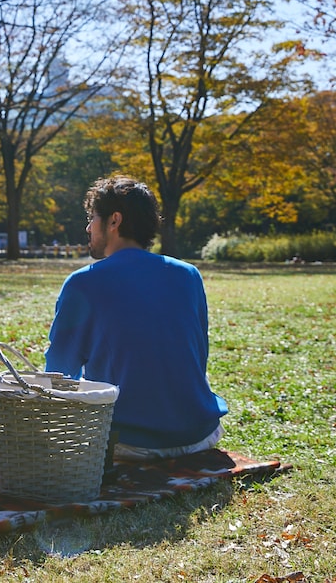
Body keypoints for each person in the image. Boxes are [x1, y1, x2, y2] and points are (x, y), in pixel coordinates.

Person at [45, 176, 228, 460]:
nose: (88, 227)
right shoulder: (188, 275)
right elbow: (198, 354)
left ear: (114, 220)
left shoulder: (84, 282)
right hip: (200, 435)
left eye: (92, 217)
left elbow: (59, 373)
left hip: (128, 442)